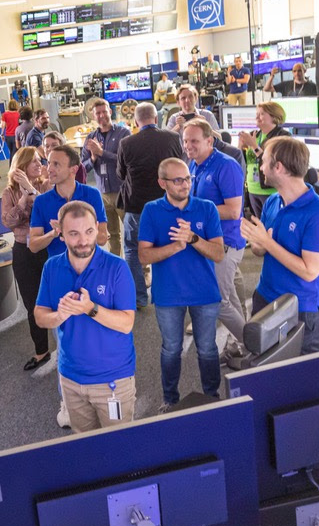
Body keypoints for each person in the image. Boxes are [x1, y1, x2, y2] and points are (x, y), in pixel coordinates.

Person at [34, 201, 137, 433]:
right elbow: (40, 316)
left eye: (89, 231)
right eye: (74, 233)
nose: (83, 241)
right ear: (60, 234)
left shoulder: (117, 268)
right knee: (84, 445)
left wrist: (90, 309)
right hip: (71, 380)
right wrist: (59, 315)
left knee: (118, 447)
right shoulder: (51, 268)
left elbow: (126, 324)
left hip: (113, 381)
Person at [139, 158, 225, 408]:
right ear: (162, 183)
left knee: (208, 349)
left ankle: (212, 396)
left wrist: (193, 238)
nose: (185, 184)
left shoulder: (207, 208)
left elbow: (218, 254)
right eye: (178, 180)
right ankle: (170, 400)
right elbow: (144, 256)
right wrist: (175, 247)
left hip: (205, 294)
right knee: (171, 349)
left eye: (188, 178)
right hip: (168, 295)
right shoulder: (151, 211)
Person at [241, 137, 319, 355]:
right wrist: (259, 242)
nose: (261, 167)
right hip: (265, 297)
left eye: (264, 162)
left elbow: (309, 271)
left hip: (300, 310)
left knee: (300, 381)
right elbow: (260, 250)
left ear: (279, 167)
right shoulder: (273, 202)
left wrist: (267, 242)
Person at [183, 120, 248, 351]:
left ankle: (252, 346)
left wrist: (195, 209)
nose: (188, 145)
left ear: (209, 141)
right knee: (228, 297)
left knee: (218, 301)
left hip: (227, 243)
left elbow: (232, 211)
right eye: (185, 140)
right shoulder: (193, 165)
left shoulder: (226, 166)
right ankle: (245, 343)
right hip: (207, 243)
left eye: (194, 141)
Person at [116, 102, 183, 309]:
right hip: (167, 206)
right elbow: (180, 169)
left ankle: (140, 298)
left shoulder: (126, 143)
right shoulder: (172, 138)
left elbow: (121, 175)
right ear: (156, 119)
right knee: (170, 248)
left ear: (136, 122)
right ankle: (171, 294)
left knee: (132, 252)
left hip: (136, 207)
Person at [1, 146, 50, 370]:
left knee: (59, 298)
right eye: (34, 162)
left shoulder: (45, 184)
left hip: (49, 249)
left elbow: (49, 213)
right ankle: (41, 351)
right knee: (33, 303)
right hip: (24, 251)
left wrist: (31, 190)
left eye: (40, 160)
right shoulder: (9, 192)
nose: (40, 164)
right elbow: (9, 222)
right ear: (21, 167)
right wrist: (22, 200)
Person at [29, 144, 108, 262]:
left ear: (74, 169)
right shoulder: (41, 202)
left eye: (56, 164)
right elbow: (33, 245)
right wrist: (53, 234)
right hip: (59, 270)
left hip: (91, 269)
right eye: (49, 163)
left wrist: (69, 229)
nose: (49, 169)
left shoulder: (92, 195)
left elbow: (102, 238)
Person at [80, 98, 131, 256]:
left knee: (132, 233)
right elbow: (82, 168)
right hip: (103, 193)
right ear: (93, 116)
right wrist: (94, 158)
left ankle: (142, 272)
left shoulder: (123, 133)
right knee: (112, 235)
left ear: (110, 112)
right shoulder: (90, 139)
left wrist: (102, 153)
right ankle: (116, 269)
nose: (102, 115)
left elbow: (127, 160)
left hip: (121, 191)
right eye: (98, 113)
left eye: (104, 111)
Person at [239, 101, 290, 217]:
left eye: (261, 114)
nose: (257, 117)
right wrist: (240, 148)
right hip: (252, 189)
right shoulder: (254, 135)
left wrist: (254, 147)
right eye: (257, 113)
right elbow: (245, 162)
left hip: (271, 190)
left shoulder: (282, 137)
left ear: (274, 116)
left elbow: (277, 163)